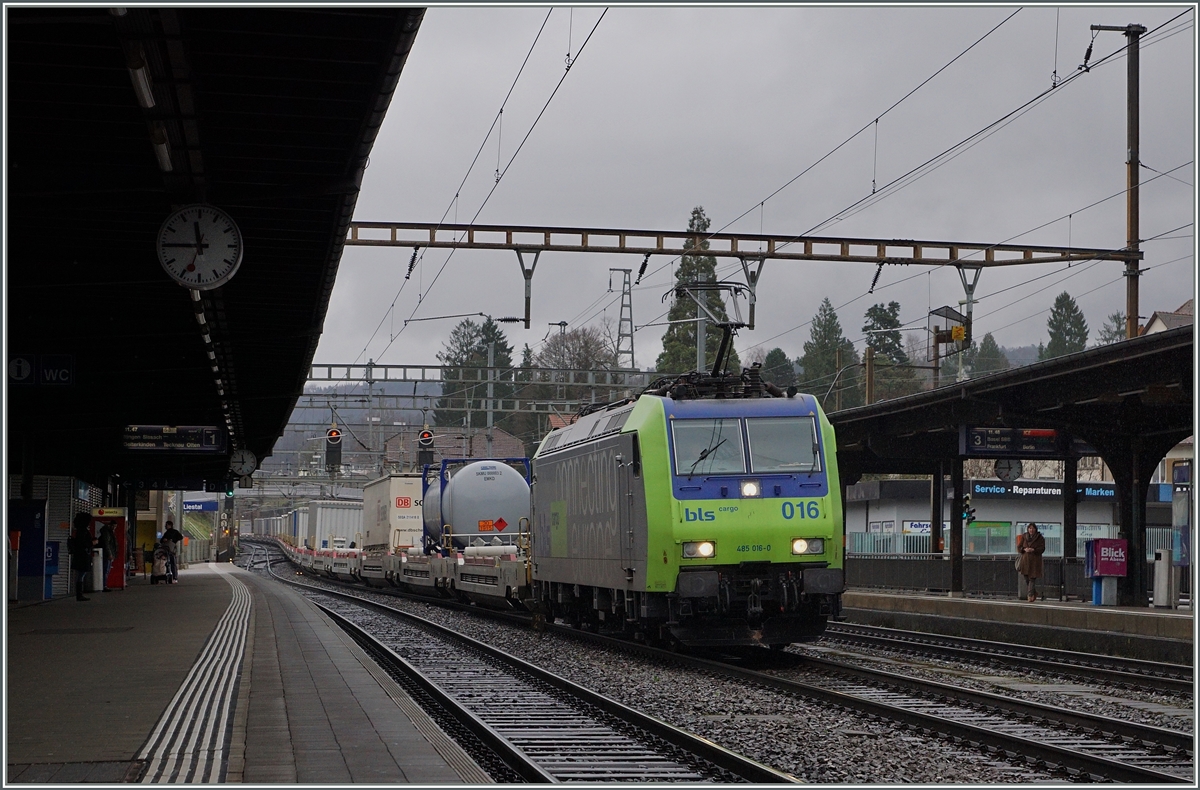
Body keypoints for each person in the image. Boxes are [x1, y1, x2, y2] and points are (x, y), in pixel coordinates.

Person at [1016, 522, 1046, 602]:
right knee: (1026, 577)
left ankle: (1030, 596)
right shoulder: (1024, 537)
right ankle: (1034, 592)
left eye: (1033, 528)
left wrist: (1034, 550)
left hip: (1035, 561)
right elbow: (1019, 547)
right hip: (1025, 560)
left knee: (1032, 578)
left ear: (1035, 529)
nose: (1031, 530)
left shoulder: (1040, 538)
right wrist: (1024, 549)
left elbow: (1042, 549)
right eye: (1030, 528)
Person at [69, 513, 95, 601]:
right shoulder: (83, 531)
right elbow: (83, 543)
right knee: (81, 574)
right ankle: (79, 594)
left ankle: (79, 594)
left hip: (79, 555)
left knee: (81, 574)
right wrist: (92, 543)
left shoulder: (78, 530)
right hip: (82, 556)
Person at [97, 520, 118, 592]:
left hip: (108, 553)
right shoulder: (107, 532)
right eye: (114, 526)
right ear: (110, 525)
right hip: (107, 554)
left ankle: (104, 585)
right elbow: (107, 544)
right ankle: (104, 586)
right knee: (105, 570)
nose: (114, 528)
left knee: (106, 570)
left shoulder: (109, 532)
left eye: (115, 526)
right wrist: (110, 554)